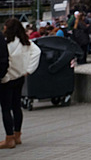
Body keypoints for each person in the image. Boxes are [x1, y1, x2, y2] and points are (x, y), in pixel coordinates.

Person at [0, 18, 42, 149]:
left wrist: (4, 76)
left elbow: (4, 61)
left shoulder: (6, 43)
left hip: (7, 79)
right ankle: (17, 135)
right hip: (20, 77)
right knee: (16, 107)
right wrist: (28, 70)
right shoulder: (25, 42)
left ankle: (9, 138)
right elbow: (37, 52)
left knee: (6, 109)